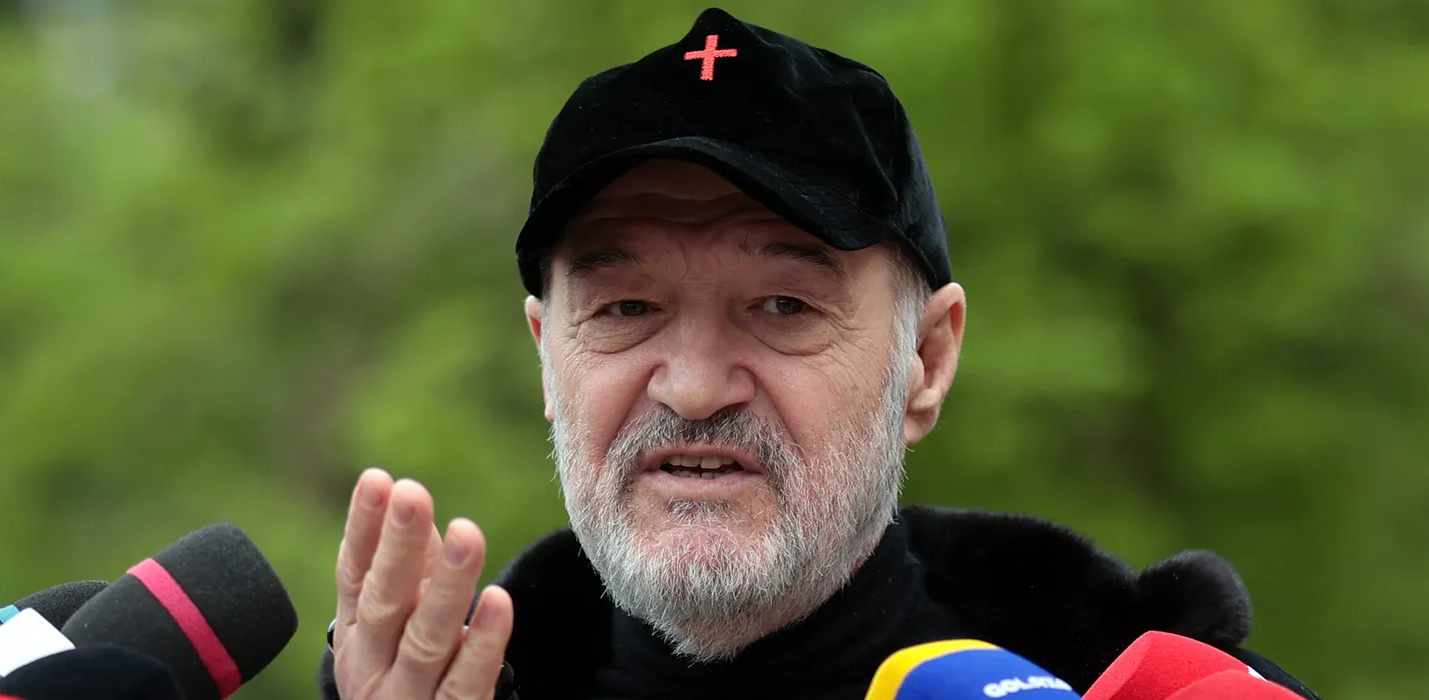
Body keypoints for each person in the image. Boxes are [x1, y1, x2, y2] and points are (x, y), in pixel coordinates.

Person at [318, 8, 1322, 700]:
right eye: (626, 307)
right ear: (548, 357)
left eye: (782, 305)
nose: (694, 387)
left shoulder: (1149, 683)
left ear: (925, 361)